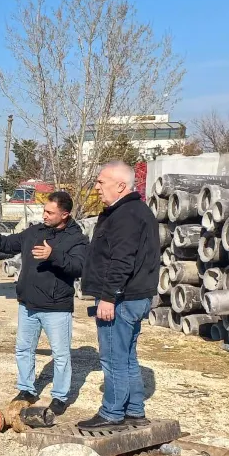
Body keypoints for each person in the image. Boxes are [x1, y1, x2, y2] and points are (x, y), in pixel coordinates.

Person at [0, 191, 88, 415]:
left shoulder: (76, 238)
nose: (45, 215)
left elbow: (78, 267)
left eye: (50, 212)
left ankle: (59, 397)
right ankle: (26, 390)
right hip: (28, 305)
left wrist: (53, 255)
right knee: (24, 350)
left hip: (56, 308)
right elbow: (7, 244)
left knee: (60, 355)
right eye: (44, 210)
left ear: (65, 214)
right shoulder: (35, 231)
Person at [77, 161, 160, 430]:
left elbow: (122, 260)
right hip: (134, 296)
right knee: (126, 356)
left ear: (121, 186)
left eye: (102, 182)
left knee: (113, 358)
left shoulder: (126, 215)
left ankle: (112, 413)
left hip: (122, 299)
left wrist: (109, 297)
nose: (97, 187)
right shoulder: (134, 211)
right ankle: (134, 411)